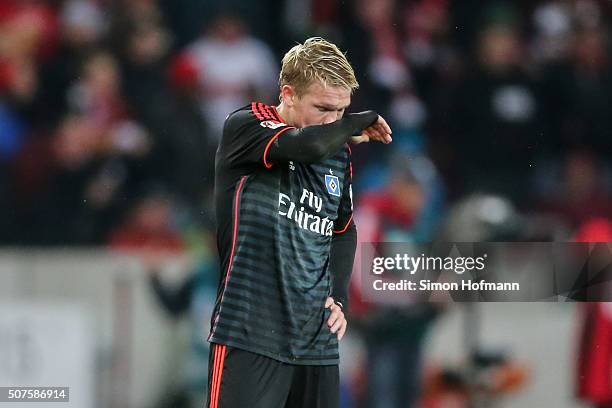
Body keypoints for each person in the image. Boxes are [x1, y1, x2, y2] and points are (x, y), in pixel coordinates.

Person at [206, 37, 392, 408]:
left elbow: (343, 231)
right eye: (323, 108)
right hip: (249, 330)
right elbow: (304, 146)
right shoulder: (247, 125)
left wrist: (339, 297)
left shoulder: (336, 156)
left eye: (341, 112)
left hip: (315, 341)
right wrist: (358, 121)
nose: (333, 121)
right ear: (288, 94)